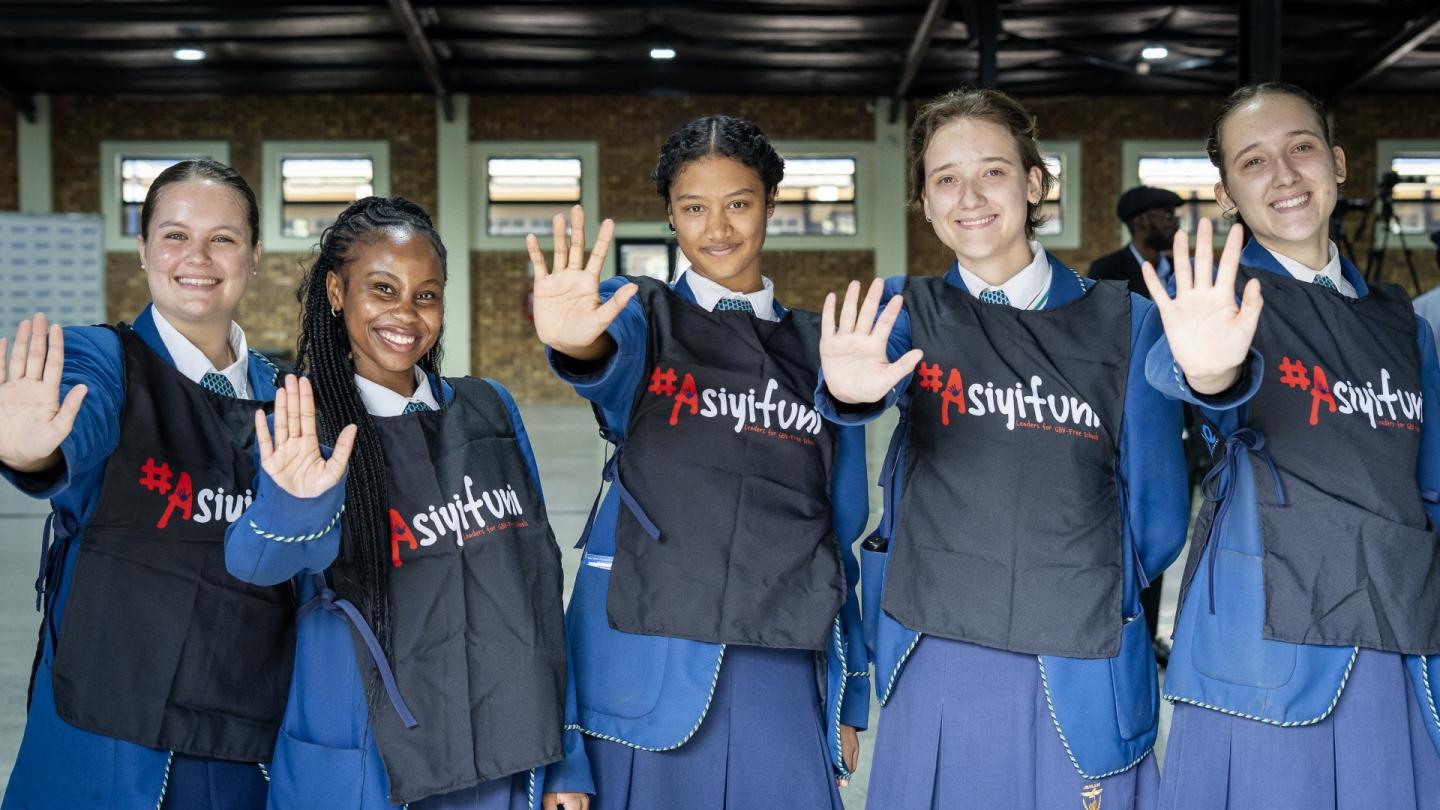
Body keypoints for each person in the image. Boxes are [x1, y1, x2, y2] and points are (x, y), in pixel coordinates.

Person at [818, 87, 1187, 809]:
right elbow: (861, 388)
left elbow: (1159, 515)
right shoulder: (901, 308)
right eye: (945, 179)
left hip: (1078, 643)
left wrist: (1073, 577)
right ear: (925, 203)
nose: (970, 197)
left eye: (992, 171)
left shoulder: (1128, 320)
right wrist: (851, 394)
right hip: (936, 635)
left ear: (1035, 182)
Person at [530, 115, 869, 809]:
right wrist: (576, 344)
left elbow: (841, 532)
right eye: (693, 208)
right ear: (670, 215)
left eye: (738, 203)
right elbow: (606, 356)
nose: (717, 228)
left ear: (771, 205)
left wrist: (849, 685)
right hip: (646, 659)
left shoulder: (822, 349)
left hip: (779, 657)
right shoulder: (644, 317)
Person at [224, 196, 579, 810]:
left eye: (426, 294)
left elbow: (539, 588)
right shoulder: (305, 428)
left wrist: (567, 760)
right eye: (382, 289)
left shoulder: (490, 409)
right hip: (368, 761)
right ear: (337, 292)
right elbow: (255, 563)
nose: (406, 314)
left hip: (504, 750)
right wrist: (295, 502)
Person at [1145, 82, 1440, 810]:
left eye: (1301, 148)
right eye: (1252, 161)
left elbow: (1431, 488)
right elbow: (1200, 380)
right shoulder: (1217, 302)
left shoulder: (1405, 326)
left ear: (1337, 163)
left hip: (1396, 628)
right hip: (1264, 640)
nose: (1283, 174)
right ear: (1225, 194)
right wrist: (1208, 369)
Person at [0, 159, 282, 809]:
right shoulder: (101, 359)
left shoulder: (284, 394)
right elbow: (79, 420)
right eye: (175, 235)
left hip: (242, 733)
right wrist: (33, 453)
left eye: (223, 238)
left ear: (254, 257)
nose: (197, 257)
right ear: (144, 249)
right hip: (111, 731)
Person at [1092, 185, 1191, 667]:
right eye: (1165, 214)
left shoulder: (1190, 273)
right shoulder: (1106, 272)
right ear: (1140, 221)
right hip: (1130, 420)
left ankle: (1150, 634)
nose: (1174, 221)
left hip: (1188, 417)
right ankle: (1122, 628)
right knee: (1131, 526)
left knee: (1169, 527)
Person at [1090, 186, 1184, 296]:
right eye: (1168, 216)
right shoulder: (1107, 271)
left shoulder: (1178, 268)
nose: (1175, 225)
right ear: (1141, 220)